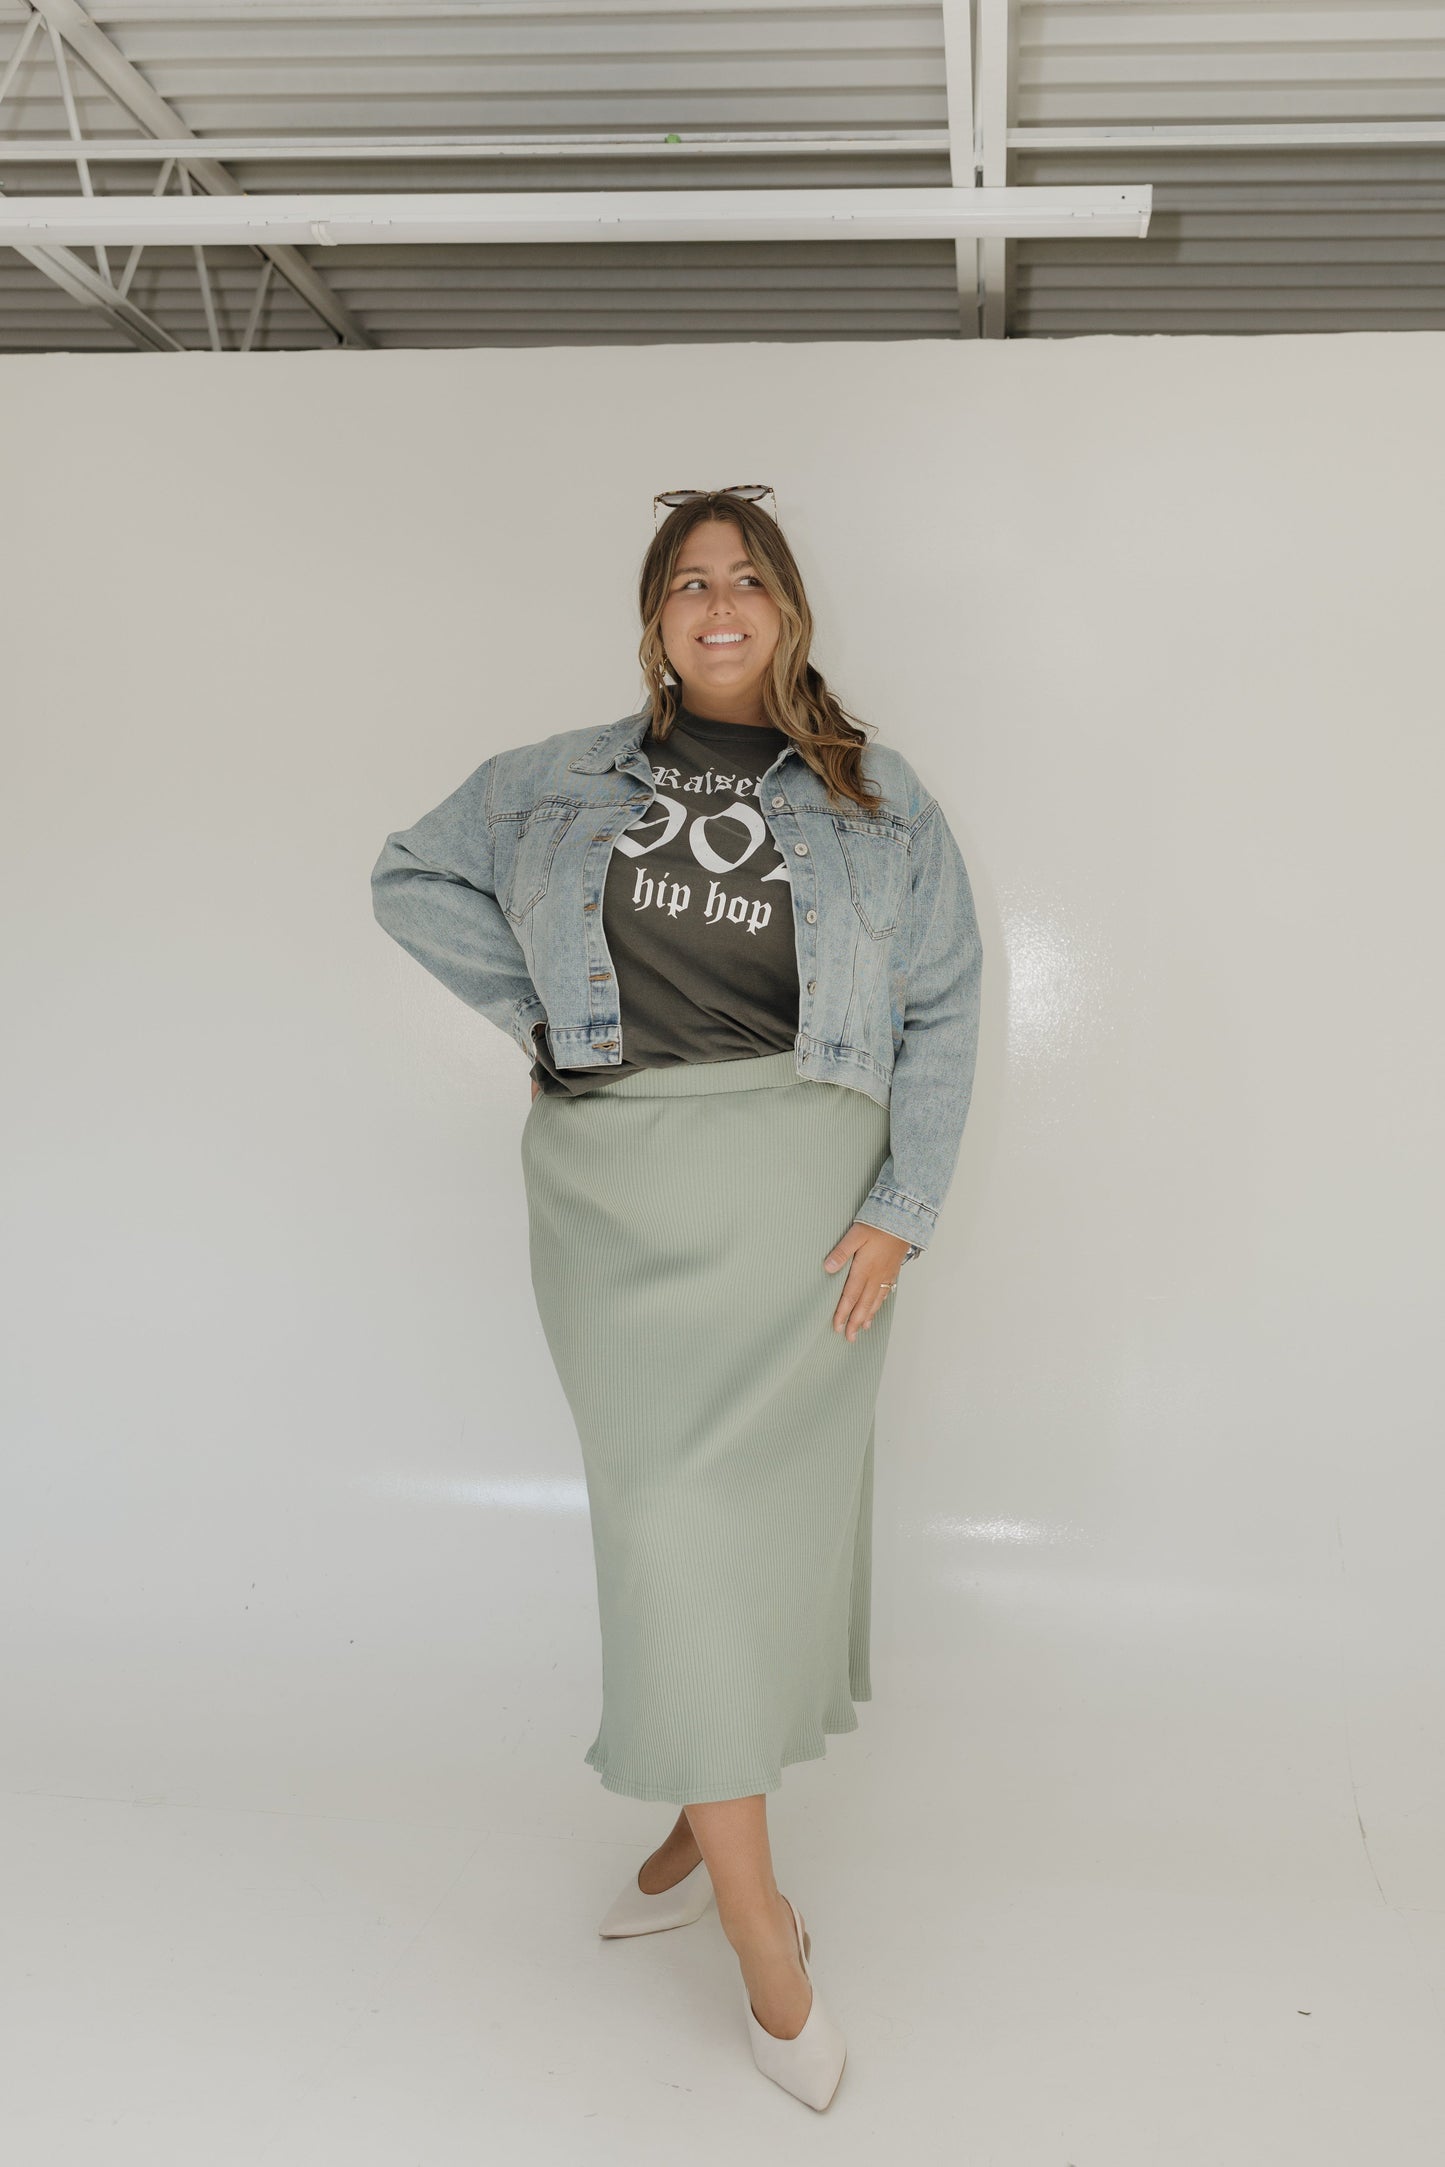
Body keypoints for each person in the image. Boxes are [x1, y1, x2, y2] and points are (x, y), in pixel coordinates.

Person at [370, 486, 983, 2110]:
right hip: (615, 1193)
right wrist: (548, 1025)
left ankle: (702, 1835)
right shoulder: (554, 783)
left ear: (788, 613)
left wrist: (898, 1215)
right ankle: (756, 1914)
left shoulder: (877, 799)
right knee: (664, 1520)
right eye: (686, 584)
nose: (717, 605)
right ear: (653, 620)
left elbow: (942, 1012)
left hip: (799, 1203)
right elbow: (409, 876)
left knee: (749, 1531)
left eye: (747, 581)